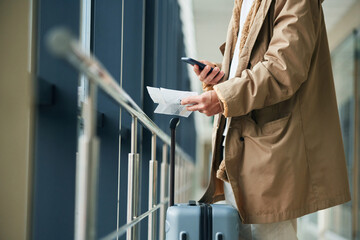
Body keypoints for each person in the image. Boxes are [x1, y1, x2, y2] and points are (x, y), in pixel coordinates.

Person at [181, 0, 351, 239]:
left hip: (269, 154)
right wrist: (222, 77)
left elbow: (283, 69)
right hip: (235, 150)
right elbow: (250, 67)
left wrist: (223, 97)